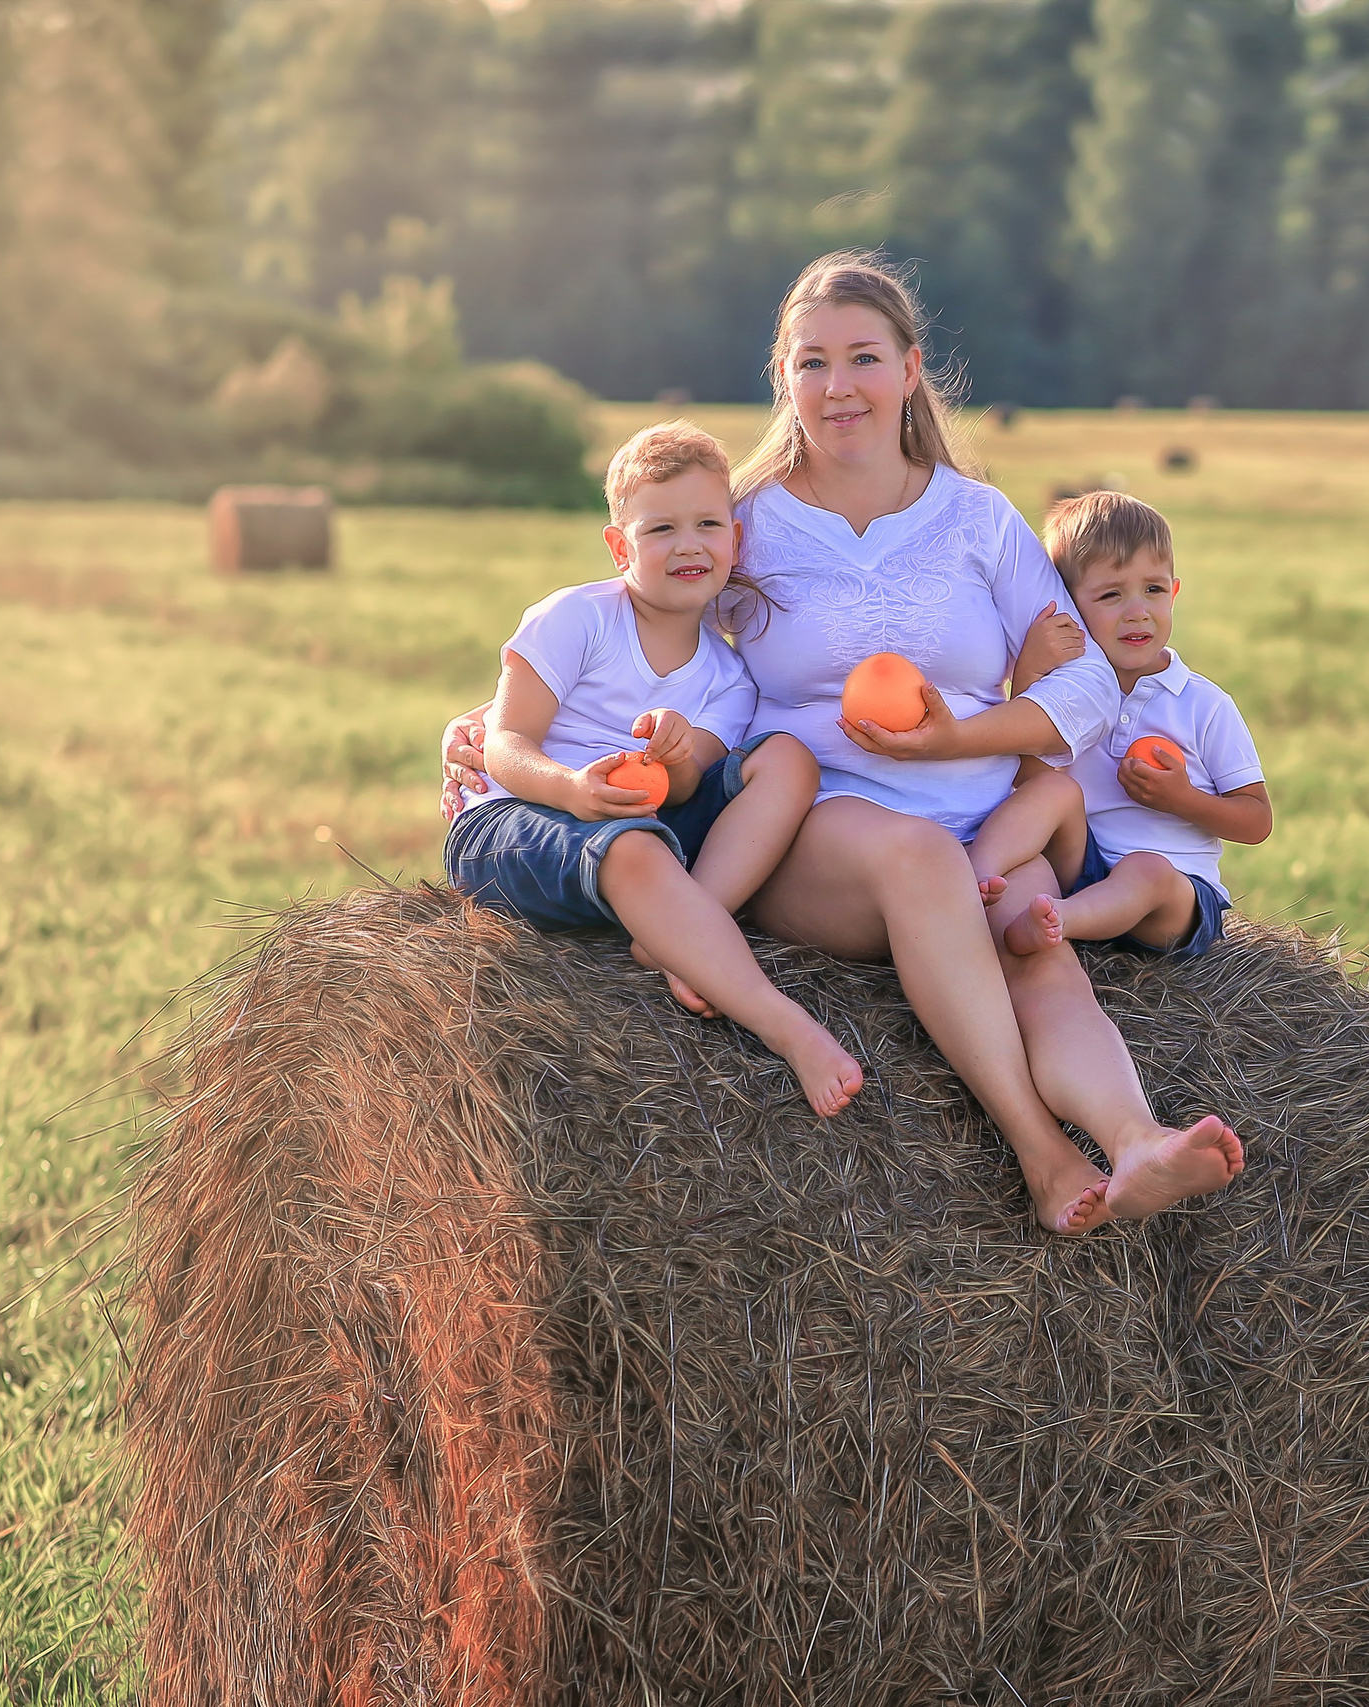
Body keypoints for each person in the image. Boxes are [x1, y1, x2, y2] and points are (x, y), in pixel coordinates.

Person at [445, 251, 1239, 1234]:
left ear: (909, 370)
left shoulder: (979, 520)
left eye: (862, 358)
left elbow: (1081, 682)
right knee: (915, 860)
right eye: (810, 363)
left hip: (984, 819)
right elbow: (635, 601)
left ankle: (1134, 1144)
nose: (838, 387)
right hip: (816, 826)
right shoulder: (748, 520)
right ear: (783, 379)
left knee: (1043, 953)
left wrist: (962, 736)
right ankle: (1041, 1155)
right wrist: (497, 723)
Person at [442, 420, 863, 1118]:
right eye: (660, 529)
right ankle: (784, 1023)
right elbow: (504, 744)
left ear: (735, 538)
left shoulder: (728, 677)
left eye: (706, 524)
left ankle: (675, 937)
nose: (689, 544)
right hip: (513, 816)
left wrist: (678, 754)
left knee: (786, 756)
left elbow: (693, 783)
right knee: (633, 848)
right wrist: (573, 791)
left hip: (640, 820)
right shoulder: (574, 619)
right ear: (619, 546)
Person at [964, 491, 1271, 961]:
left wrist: (1182, 799)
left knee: (1145, 870)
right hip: (1082, 865)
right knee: (1054, 792)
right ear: (1068, 603)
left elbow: (1256, 822)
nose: (1137, 611)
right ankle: (972, 879)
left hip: (1174, 898)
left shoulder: (1203, 704)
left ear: (1174, 592)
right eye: (1111, 595)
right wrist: (1029, 677)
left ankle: (1059, 923)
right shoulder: (1068, 694)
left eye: (1153, 589)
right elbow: (1025, 783)